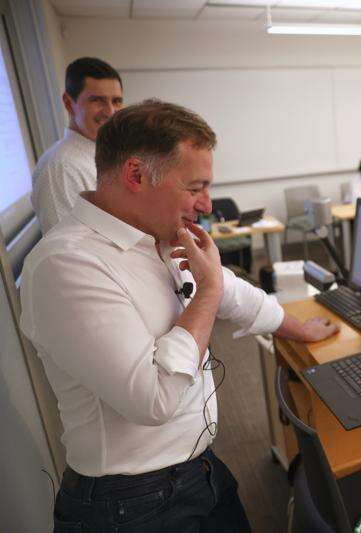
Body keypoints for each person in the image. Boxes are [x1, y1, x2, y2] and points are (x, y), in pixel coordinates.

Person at [20, 100, 339, 531]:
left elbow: (233, 291)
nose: (206, 203)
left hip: (197, 470)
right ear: (136, 175)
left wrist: (299, 328)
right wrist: (207, 293)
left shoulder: (155, 235)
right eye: (194, 188)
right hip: (129, 504)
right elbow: (154, 399)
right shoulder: (66, 264)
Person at [32, 57, 124, 233]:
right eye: (97, 100)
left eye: (116, 101)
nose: (110, 112)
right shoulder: (61, 168)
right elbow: (65, 245)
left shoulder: (107, 155)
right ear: (68, 103)